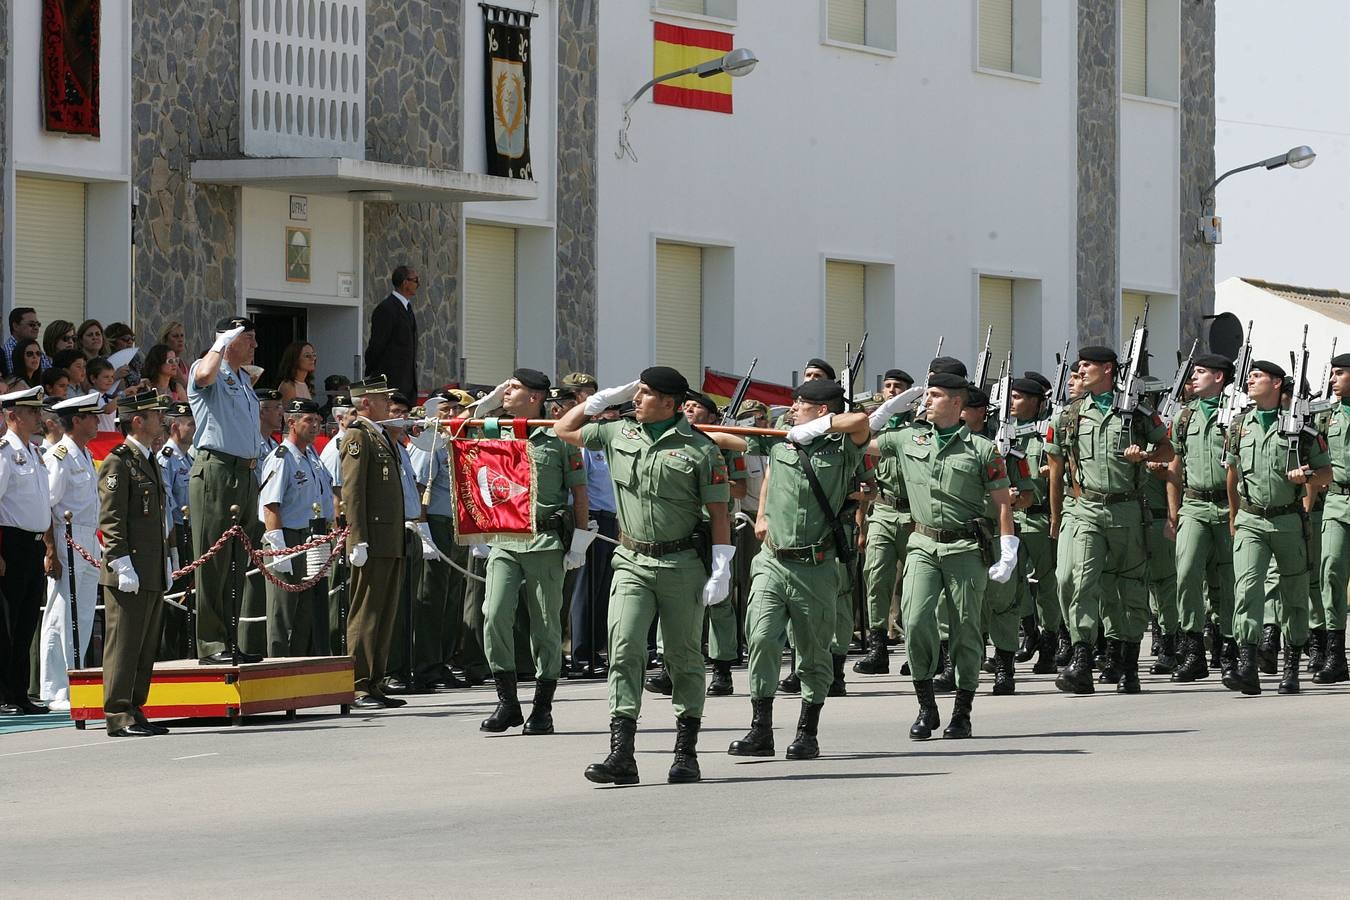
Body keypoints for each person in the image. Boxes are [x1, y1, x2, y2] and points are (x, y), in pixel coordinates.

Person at [555, 366, 732, 786]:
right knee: (624, 650)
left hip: (681, 564)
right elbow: (565, 429)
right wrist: (599, 400)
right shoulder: (618, 433)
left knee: (683, 658)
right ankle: (622, 755)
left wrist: (722, 567)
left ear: (669, 403)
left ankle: (686, 753)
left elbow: (719, 513)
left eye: (646, 393)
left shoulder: (700, 449)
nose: (637, 398)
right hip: (631, 561)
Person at [727, 379, 870, 760]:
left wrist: (820, 427)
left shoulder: (843, 448)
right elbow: (740, 448)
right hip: (773, 560)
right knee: (761, 638)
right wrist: (762, 514)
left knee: (812, 653)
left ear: (821, 410)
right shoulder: (781, 441)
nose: (792, 409)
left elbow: (861, 422)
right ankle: (761, 729)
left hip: (815, 565)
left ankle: (808, 732)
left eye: (800, 404)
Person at [878, 373, 1016, 739]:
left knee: (966, 629)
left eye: (935, 395)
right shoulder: (908, 437)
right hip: (922, 544)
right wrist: (886, 411)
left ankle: (962, 711)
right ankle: (926, 706)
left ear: (956, 403)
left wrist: (1008, 551)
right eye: (927, 394)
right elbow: (861, 442)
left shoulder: (982, 449)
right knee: (915, 620)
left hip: (965, 548)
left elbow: (1003, 504)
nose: (927, 400)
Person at [1047, 345, 1173, 695]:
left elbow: (1168, 449)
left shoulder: (1138, 413)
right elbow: (1056, 469)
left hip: (1128, 510)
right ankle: (1082, 658)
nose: (1080, 371)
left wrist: (1145, 455)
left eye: (1087, 365)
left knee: (1129, 587)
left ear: (1107, 369)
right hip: (1086, 509)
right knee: (1080, 582)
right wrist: (1056, 517)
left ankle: (1128, 664)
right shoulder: (1069, 415)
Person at [475, 369, 590, 734]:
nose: (506, 392)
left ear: (535, 397)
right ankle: (507, 702)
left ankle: (542, 708)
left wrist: (580, 541)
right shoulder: (497, 431)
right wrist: (486, 405)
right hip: (505, 540)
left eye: (513, 388)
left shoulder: (559, 438)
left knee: (545, 625)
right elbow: (460, 434)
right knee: (494, 615)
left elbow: (579, 493)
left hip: (545, 541)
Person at [1224, 360, 1332, 695]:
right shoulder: (1239, 426)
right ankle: (1248, 666)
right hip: (1251, 520)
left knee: (1294, 595)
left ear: (1275, 384)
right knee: (1247, 590)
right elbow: (1232, 474)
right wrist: (1233, 516)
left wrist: (1306, 477)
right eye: (1250, 375)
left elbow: (1327, 473)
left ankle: (1291, 669)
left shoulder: (1302, 430)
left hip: (1288, 520)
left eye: (1258, 376)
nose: (1250, 380)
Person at [98, 389, 174, 737]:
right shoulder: (118, 461)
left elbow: (156, 517)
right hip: (128, 569)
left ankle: (135, 707)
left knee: (144, 646)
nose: (162, 419)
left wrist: (167, 559)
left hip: (150, 567)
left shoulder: (148, 458)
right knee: (124, 644)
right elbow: (111, 518)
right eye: (156, 415)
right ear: (138, 421)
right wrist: (120, 561)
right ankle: (117, 713)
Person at [187, 317, 262, 665]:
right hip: (217, 470)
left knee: (236, 562)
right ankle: (210, 642)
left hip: (244, 473)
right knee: (212, 561)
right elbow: (204, 376)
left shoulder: (243, 379)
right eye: (248, 338)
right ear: (230, 340)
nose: (254, 345)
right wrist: (221, 342)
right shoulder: (207, 369)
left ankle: (231, 639)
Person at [1164, 353, 1234, 683]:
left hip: (1228, 505)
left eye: (1201, 372)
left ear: (1219, 377)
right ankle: (1193, 649)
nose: (1194, 376)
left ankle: (1229, 647)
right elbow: (1175, 466)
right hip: (1193, 505)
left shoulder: (1236, 415)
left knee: (1230, 580)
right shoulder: (1184, 417)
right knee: (1187, 572)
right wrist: (1172, 513)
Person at [341, 375, 409, 710]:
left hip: (390, 538)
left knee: (384, 611)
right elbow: (353, 491)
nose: (388, 404)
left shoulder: (381, 435)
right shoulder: (358, 435)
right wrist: (357, 538)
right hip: (372, 538)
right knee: (366, 611)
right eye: (383, 399)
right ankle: (358, 684)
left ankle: (375, 680)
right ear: (366, 402)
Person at [35, 391, 104, 710]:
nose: (97, 421)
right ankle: (55, 689)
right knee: (62, 613)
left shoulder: (84, 454)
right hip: (67, 536)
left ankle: (75, 681)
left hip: (88, 537)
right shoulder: (59, 456)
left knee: (83, 612)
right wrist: (50, 549)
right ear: (76, 420)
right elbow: (46, 507)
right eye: (92, 417)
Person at [856, 368, 919, 676]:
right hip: (882, 509)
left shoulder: (920, 424)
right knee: (876, 575)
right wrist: (861, 518)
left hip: (914, 512)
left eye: (898, 386)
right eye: (888, 385)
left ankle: (918, 649)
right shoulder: (873, 425)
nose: (892, 390)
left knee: (916, 583)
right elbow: (860, 460)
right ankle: (878, 648)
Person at [406, 390, 470, 688]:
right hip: (435, 524)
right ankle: (426, 665)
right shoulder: (427, 443)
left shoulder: (450, 442)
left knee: (451, 598)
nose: (452, 415)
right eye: (446, 410)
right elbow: (420, 489)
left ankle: (442, 660)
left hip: (454, 524)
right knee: (431, 598)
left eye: (455, 410)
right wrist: (424, 531)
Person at [259, 398, 331, 657]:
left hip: (311, 537)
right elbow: (271, 504)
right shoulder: (281, 458)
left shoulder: (312, 456)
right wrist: (279, 548)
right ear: (291, 423)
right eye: (308, 420)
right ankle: (277, 663)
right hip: (286, 536)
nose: (315, 425)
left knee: (305, 610)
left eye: (318, 420)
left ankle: (299, 663)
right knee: (282, 609)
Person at [0, 386, 56, 715]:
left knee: (25, 623)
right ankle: (5, 694)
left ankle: (20, 693)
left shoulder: (34, 452)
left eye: (38, 411)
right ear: (12, 416)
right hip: (11, 543)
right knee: (7, 624)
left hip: (33, 544)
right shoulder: (5, 452)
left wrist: (48, 546)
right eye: (31, 412)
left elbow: (41, 504)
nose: (38, 417)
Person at [1315, 352, 1350, 683]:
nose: (1332, 379)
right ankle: (1335, 656)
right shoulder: (1326, 417)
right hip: (1337, 501)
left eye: (1339, 373)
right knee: (1331, 573)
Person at [157, 401, 195, 660]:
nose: (195, 429)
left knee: (189, 598)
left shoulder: (189, 457)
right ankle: (169, 655)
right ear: (174, 428)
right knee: (175, 598)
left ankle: (185, 650)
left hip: (190, 533)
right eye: (190, 424)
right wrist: (172, 548)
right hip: (176, 535)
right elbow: (167, 507)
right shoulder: (166, 459)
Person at [364, 265, 419, 402]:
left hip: (407, 385)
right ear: (405, 283)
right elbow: (377, 345)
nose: (418, 284)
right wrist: (373, 372)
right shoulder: (386, 309)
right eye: (415, 280)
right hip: (391, 383)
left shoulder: (407, 308)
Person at [2, 308, 46, 378]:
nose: (36, 327)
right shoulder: (10, 350)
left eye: (38, 324)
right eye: (32, 324)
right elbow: (14, 379)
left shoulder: (35, 348)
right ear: (15, 326)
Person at [160, 321, 192, 388]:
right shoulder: (165, 364)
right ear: (165, 339)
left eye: (182, 336)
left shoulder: (184, 365)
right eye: (175, 336)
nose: (180, 339)